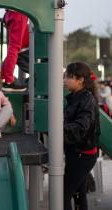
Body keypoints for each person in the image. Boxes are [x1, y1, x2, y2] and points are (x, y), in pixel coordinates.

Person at [63, 62, 100, 210]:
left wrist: (58, 129)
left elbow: (82, 126)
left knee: (63, 194)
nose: (65, 80)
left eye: (68, 77)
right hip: (79, 153)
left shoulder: (86, 99)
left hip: (82, 155)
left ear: (80, 80)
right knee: (79, 193)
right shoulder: (77, 97)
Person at [1, 10, 28, 92]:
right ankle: (9, 81)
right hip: (18, 12)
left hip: (13, 12)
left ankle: (5, 77)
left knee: (18, 45)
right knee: (14, 47)